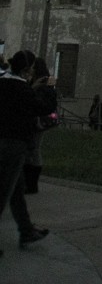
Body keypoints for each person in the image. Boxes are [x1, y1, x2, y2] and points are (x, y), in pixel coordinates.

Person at [0, 50, 55, 251]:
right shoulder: (22, 89)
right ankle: (26, 231)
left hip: (3, 140)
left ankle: (26, 230)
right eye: (31, 68)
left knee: (16, 191)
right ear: (26, 70)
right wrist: (49, 88)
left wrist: (32, 87)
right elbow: (44, 108)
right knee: (4, 192)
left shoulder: (4, 83)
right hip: (14, 144)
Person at [24, 57, 57, 194]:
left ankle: (32, 184)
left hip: (38, 121)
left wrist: (32, 88)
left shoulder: (42, 82)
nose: (30, 69)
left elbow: (36, 100)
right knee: (31, 150)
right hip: (34, 120)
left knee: (34, 150)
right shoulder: (37, 80)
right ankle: (29, 183)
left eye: (32, 66)